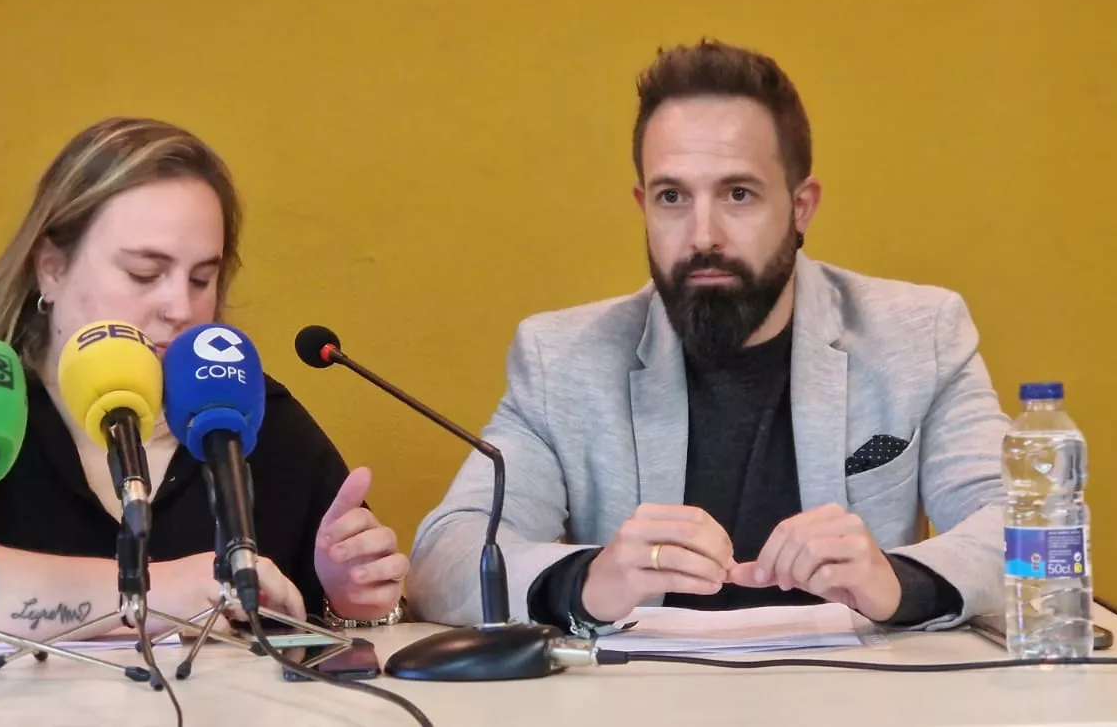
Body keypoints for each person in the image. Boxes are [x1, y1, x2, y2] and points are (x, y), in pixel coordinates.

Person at [407, 40, 1006, 636]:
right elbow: (444, 558)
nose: (702, 235)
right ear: (643, 205)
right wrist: (589, 581)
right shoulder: (561, 359)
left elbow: (1032, 528)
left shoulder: (919, 334)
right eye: (673, 197)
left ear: (801, 206)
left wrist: (898, 583)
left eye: (737, 194)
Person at [0, 117, 408, 646]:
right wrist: (151, 596)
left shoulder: (246, 412)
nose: (179, 306)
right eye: (143, 272)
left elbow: (334, 622)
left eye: (203, 278)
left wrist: (348, 599)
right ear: (51, 266)